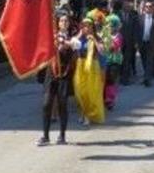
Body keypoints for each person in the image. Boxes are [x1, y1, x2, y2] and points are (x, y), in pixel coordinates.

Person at [38, 14, 75, 146]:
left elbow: (75, 45)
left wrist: (63, 42)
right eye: (61, 21)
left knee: (62, 105)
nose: (64, 23)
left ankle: (62, 135)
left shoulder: (72, 39)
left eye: (66, 21)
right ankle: (45, 135)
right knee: (46, 104)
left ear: (69, 24)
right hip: (51, 74)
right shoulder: (51, 37)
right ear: (58, 23)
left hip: (64, 75)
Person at [72, 18, 106, 124]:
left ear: (92, 27)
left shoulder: (96, 37)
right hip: (80, 66)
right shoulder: (79, 37)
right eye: (84, 25)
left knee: (90, 92)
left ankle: (88, 115)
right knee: (79, 92)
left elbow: (102, 51)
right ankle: (82, 112)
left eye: (89, 25)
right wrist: (79, 35)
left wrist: (94, 40)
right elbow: (72, 46)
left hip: (92, 67)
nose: (86, 28)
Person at [103, 14, 123, 109]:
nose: (109, 27)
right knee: (105, 80)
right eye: (108, 25)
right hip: (104, 60)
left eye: (111, 25)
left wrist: (107, 41)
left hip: (114, 61)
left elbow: (113, 47)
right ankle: (104, 97)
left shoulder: (118, 36)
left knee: (111, 80)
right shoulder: (104, 35)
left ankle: (110, 99)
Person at [120, 2, 140, 84]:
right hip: (119, 42)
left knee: (127, 61)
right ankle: (120, 76)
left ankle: (125, 79)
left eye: (128, 7)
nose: (127, 8)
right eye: (125, 6)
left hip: (129, 42)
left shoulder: (133, 17)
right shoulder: (119, 16)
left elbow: (136, 30)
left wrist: (136, 42)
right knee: (120, 60)